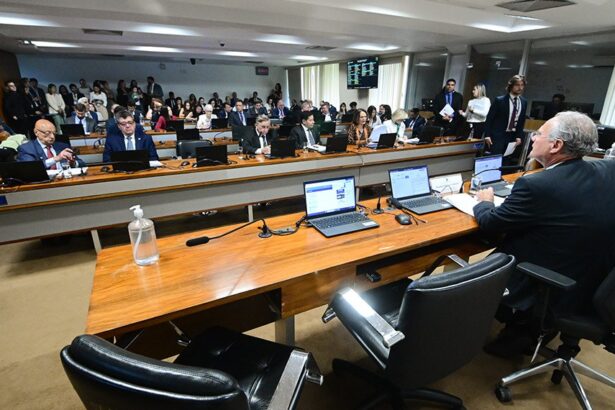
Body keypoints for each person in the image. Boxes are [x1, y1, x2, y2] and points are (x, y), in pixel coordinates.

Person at [475, 111, 615, 358]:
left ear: (556, 145)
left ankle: (519, 325)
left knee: (480, 266)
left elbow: (491, 223)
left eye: (539, 134)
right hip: (592, 282)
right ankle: (526, 327)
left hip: (549, 282)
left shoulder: (537, 185)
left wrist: (484, 202)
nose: (533, 137)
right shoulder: (607, 169)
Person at [484, 75, 527, 157]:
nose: (520, 88)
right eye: (517, 85)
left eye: (522, 85)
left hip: (512, 137)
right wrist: (487, 135)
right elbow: (489, 119)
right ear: (511, 86)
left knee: (507, 159)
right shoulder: (499, 100)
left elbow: (521, 121)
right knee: (495, 159)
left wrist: (519, 136)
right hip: (498, 136)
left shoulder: (524, 102)